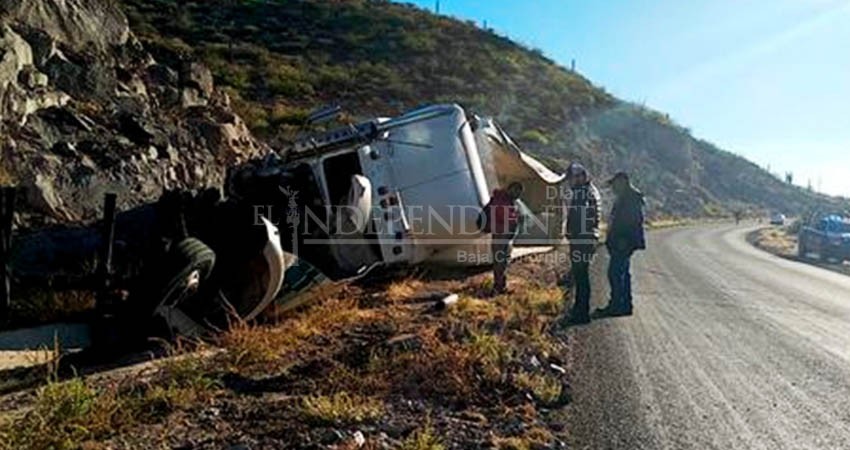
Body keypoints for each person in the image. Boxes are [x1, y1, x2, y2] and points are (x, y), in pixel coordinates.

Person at [598, 172, 645, 317]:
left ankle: (617, 305)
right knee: (622, 273)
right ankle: (624, 305)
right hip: (622, 243)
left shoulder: (630, 199)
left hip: (623, 243)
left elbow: (630, 222)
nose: (613, 189)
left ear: (622, 182)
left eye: (614, 185)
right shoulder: (627, 197)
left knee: (615, 273)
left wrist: (622, 241)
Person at [563, 163, 601, 325]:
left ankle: (581, 313)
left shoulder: (582, 193)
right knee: (581, 276)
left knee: (581, 276)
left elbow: (580, 217)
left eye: (574, 177)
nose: (572, 181)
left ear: (582, 177)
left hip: (582, 239)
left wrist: (572, 234)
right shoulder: (591, 190)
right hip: (588, 238)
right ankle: (579, 309)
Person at [481, 182, 524, 295]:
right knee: (500, 262)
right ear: (510, 189)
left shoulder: (506, 200)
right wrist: (515, 218)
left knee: (502, 262)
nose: (518, 195)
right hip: (501, 235)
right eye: (517, 191)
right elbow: (505, 218)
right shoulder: (502, 200)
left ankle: (500, 285)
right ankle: (498, 287)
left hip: (504, 235)